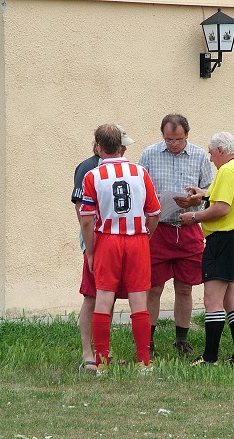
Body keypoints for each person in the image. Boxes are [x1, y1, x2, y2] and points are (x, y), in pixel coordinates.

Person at [79, 123, 161, 372]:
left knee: (103, 297)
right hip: (136, 238)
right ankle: (144, 362)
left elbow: (86, 218)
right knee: (139, 299)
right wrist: (145, 238)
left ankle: (101, 361)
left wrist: (91, 251)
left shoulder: (92, 176)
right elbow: (155, 212)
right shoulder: (140, 172)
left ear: (99, 147)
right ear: (123, 147)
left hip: (107, 239)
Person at [178, 131, 234, 367]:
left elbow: (222, 208)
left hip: (222, 239)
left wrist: (194, 216)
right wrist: (204, 195)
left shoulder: (226, 171)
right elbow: (227, 198)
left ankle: (210, 357)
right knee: (232, 299)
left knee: (212, 300)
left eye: (212, 153)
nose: (211, 159)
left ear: (221, 150)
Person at [138, 114, 214, 357]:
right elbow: (140, 189)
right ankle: (148, 342)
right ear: (163, 136)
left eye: (178, 140)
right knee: (154, 288)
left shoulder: (200, 155)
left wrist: (196, 199)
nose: (173, 144)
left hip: (188, 228)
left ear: (187, 136)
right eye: (168, 140)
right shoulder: (149, 154)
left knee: (185, 288)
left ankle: (181, 340)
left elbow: (210, 192)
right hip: (158, 229)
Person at [71, 125, 134, 371]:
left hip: (117, 240)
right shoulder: (88, 167)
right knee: (93, 295)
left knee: (108, 296)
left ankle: (103, 351)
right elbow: (81, 210)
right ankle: (89, 354)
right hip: (96, 240)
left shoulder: (123, 168)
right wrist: (91, 248)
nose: (125, 149)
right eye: (122, 144)